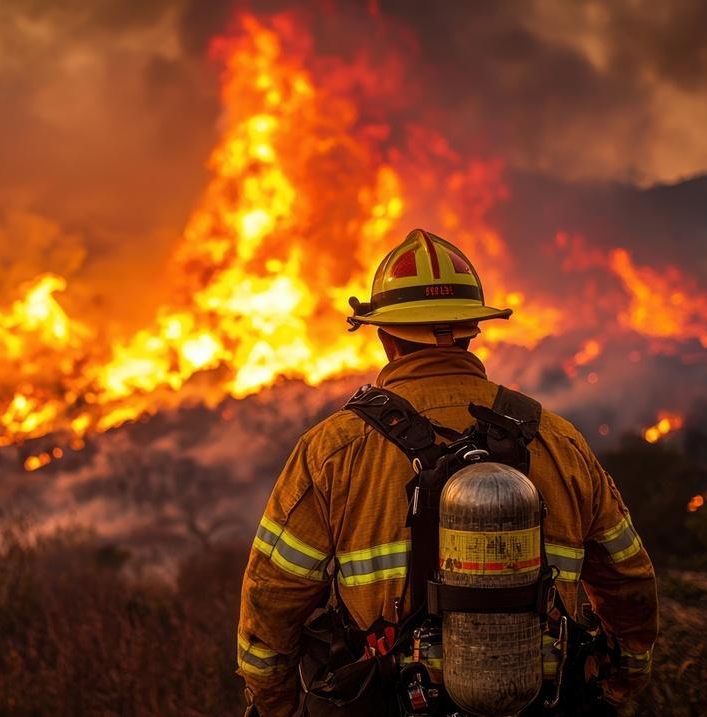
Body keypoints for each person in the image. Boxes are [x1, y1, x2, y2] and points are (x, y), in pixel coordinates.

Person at [236, 229, 657, 716]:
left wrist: (272, 707)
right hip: (542, 702)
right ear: (471, 330)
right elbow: (629, 576)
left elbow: (271, 600)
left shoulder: (334, 451)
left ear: (384, 336)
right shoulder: (558, 441)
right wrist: (620, 682)